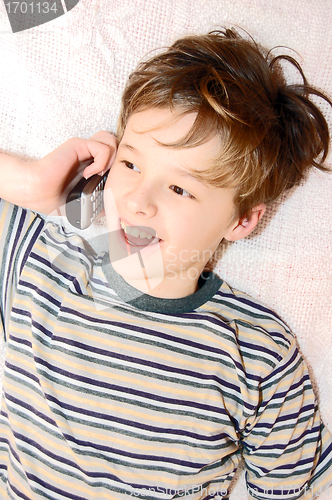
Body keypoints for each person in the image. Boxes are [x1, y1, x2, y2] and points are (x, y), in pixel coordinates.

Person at [0, 28, 331, 500]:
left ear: (241, 220)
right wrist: (32, 183)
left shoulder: (259, 354)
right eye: (131, 165)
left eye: (180, 188)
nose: (138, 201)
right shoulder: (45, 256)